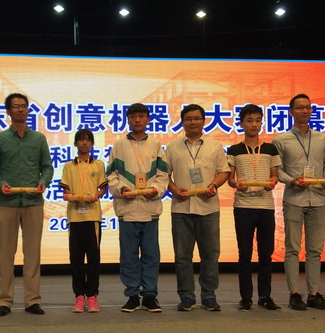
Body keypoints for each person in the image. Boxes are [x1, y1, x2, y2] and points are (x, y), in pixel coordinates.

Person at [0, 93, 54, 316]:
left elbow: (47, 167)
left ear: (28, 110)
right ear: (8, 111)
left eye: (24, 106)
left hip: (33, 202)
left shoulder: (38, 139)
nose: (21, 109)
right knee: (6, 253)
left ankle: (32, 300)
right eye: (16, 106)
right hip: (7, 202)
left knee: (32, 253)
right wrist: (0, 183)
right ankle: (4, 301)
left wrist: (44, 182)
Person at [272, 93, 325, 311]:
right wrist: (291, 181)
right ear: (291, 112)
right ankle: (294, 294)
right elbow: (278, 171)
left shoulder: (323, 139)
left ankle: (314, 294)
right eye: (300, 107)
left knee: (315, 250)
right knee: (292, 249)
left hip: (318, 198)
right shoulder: (280, 140)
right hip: (294, 198)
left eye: (308, 107)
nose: (305, 111)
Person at [106, 103, 169, 312]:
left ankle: (150, 296)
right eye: (133, 117)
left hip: (150, 210)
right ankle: (132, 295)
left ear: (148, 119)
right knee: (129, 256)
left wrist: (156, 189)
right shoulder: (119, 145)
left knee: (151, 255)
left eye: (141, 116)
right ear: (128, 120)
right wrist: (121, 189)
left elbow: (163, 175)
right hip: (127, 210)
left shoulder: (156, 145)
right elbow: (111, 175)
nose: (137, 120)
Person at [166, 104, 229, 311]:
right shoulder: (173, 147)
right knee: (182, 257)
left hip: (208, 208)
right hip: (181, 208)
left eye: (197, 118)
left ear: (204, 121)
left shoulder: (215, 146)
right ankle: (186, 297)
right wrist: (174, 189)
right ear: (182, 122)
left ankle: (209, 295)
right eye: (188, 119)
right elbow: (164, 175)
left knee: (210, 255)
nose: (193, 122)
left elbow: (223, 171)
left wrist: (214, 185)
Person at [227, 104, 281, 311]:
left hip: (266, 206)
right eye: (249, 120)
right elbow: (231, 179)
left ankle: (265, 296)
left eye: (258, 120)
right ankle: (246, 297)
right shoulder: (234, 150)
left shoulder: (270, 149)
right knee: (245, 254)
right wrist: (237, 184)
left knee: (266, 254)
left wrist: (272, 182)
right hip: (243, 206)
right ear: (241, 123)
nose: (254, 124)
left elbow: (275, 176)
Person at [60, 129, 108, 313]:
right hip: (74, 216)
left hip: (93, 216)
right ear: (75, 143)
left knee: (94, 258)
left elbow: (103, 189)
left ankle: (93, 296)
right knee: (76, 258)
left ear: (92, 144)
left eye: (88, 140)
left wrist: (94, 196)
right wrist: (74, 197)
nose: (84, 143)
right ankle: (79, 296)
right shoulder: (68, 166)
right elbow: (65, 191)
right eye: (81, 140)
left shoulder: (98, 165)